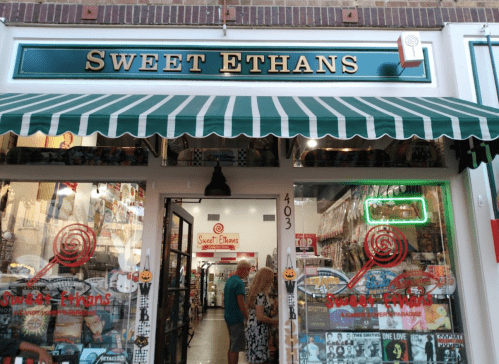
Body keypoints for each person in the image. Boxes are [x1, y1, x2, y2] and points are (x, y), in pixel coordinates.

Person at [245, 267, 278, 364]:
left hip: (256, 329)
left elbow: (260, 312)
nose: (273, 280)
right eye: (271, 278)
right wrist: (274, 322)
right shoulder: (261, 295)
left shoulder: (258, 293)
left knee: (256, 357)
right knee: (258, 358)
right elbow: (259, 316)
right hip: (257, 330)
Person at [224, 260, 251, 364]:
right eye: (247, 271)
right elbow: (241, 304)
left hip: (228, 316)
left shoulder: (230, 280)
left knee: (231, 344)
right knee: (235, 348)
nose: (248, 274)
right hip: (236, 318)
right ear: (243, 270)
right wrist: (248, 318)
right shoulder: (239, 283)